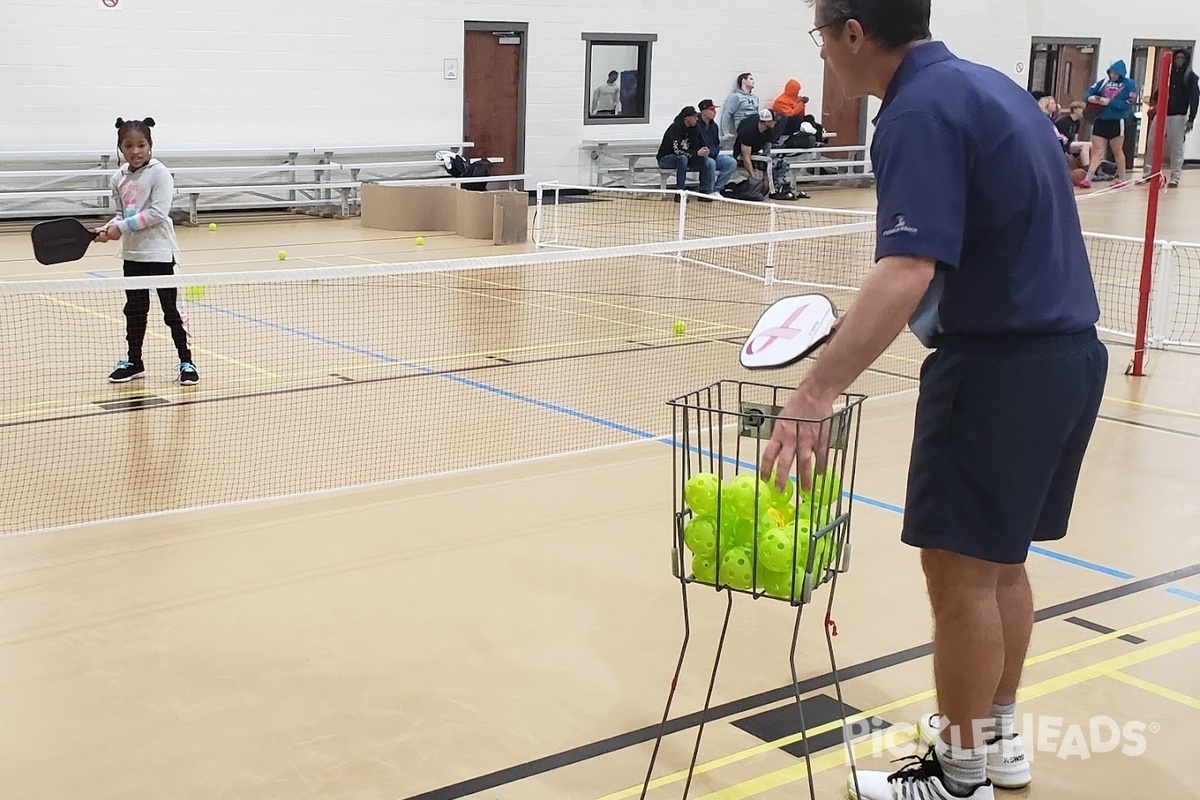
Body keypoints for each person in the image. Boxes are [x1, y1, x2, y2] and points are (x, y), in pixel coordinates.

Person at [762, 2, 1107, 798]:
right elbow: (979, 240)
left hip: (996, 373)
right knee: (1001, 567)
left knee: (960, 584)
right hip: (1066, 357)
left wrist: (815, 392)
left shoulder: (915, 111)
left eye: (820, 36)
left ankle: (957, 780)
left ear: (852, 32)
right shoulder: (991, 88)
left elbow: (910, 264)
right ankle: (998, 742)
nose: (823, 54)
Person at [96, 117, 198, 386]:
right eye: (128, 145)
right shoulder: (118, 177)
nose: (135, 151)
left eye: (141, 144)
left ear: (150, 146)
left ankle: (186, 361)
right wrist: (108, 229)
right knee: (135, 311)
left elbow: (156, 213)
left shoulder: (159, 173)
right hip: (132, 255)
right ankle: (134, 362)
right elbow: (121, 213)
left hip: (160, 253)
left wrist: (121, 227)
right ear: (120, 148)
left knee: (172, 311)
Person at [1143, 49, 1199, 188]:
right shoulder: (1168, 75)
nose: (1179, 60)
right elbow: (1160, 90)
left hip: (1178, 115)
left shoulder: (1190, 77)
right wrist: (1153, 100)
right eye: (1177, 58)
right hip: (1162, 112)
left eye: (1182, 58)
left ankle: (1175, 177)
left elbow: (1194, 99)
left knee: (1176, 146)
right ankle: (1149, 172)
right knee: (1152, 142)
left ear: (1186, 60)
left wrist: (1191, 119)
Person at [1083, 61, 1138, 188]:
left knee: (1117, 151)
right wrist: (1091, 99)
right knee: (1097, 151)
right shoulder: (1103, 82)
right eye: (1111, 73)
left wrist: (1109, 102)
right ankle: (1088, 178)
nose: (1112, 75)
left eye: (1115, 73)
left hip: (1117, 121)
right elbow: (1087, 93)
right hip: (1101, 120)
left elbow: (1127, 104)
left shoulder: (1130, 84)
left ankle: (1122, 178)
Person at [656, 106, 713, 200]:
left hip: (687, 156)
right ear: (687, 118)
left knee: (706, 161)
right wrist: (696, 154)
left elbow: (701, 143)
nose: (697, 119)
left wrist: (704, 150)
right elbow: (676, 150)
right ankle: (679, 192)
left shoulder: (694, 128)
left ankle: (704, 192)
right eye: (694, 117)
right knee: (682, 158)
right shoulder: (675, 128)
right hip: (666, 158)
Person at [694, 99, 738, 194]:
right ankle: (707, 191)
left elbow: (716, 144)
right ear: (704, 111)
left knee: (731, 162)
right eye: (712, 110)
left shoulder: (714, 126)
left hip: (712, 155)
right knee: (711, 163)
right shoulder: (695, 125)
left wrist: (713, 152)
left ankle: (716, 189)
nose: (715, 112)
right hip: (698, 157)